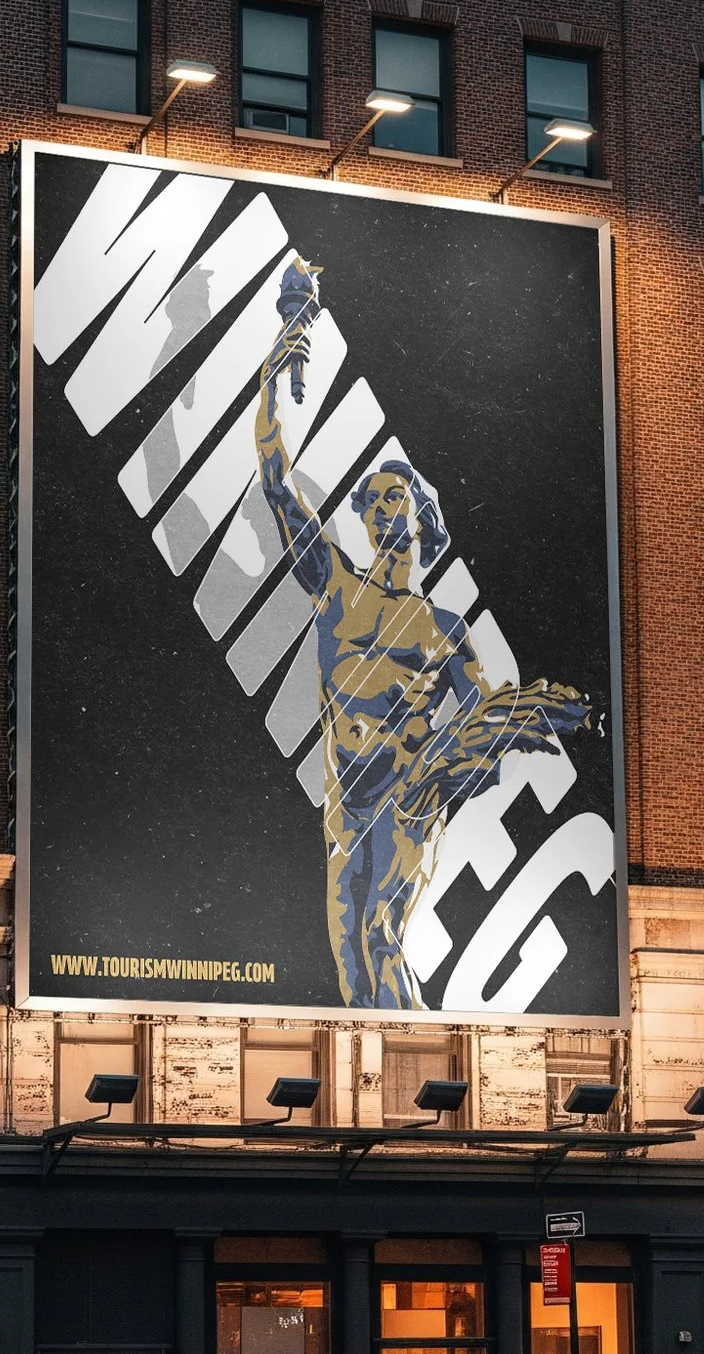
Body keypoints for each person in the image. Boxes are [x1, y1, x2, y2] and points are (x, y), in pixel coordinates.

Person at [253, 258, 592, 1011]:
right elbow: (277, 482)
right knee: (347, 962)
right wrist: (275, 368)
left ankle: (418, 1091)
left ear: (421, 516)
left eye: (392, 496)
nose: (377, 509)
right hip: (344, 804)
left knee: (380, 935)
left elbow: (482, 709)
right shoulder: (335, 586)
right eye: (370, 501)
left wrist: (449, 764)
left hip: (406, 798)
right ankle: (380, 1097)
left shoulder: (443, 627)